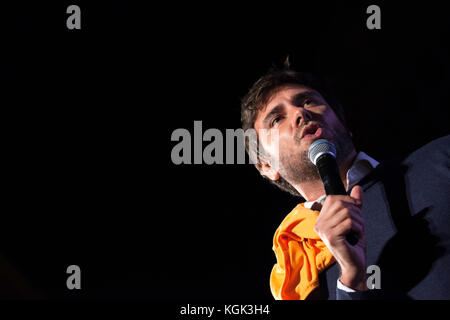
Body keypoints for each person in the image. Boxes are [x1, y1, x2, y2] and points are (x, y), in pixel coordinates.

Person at [240, 65, 450, 300]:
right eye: (277, 119)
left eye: (308, 101)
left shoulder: (442, 156)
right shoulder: (302, 274)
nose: (300, 114)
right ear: (266, 166)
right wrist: (352, 281)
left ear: (344, 124)